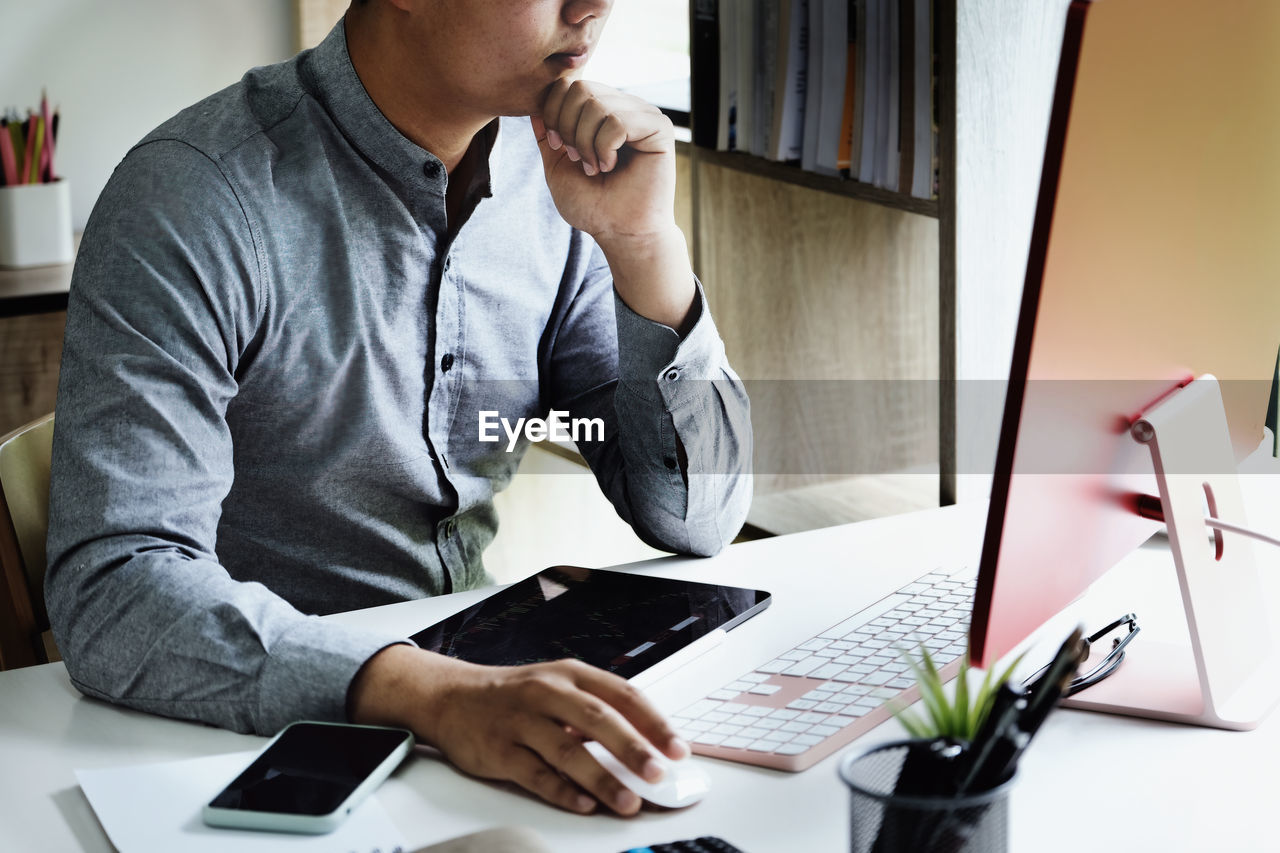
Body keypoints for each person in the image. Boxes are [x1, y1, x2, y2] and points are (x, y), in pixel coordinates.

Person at [44, 0, 751, 818]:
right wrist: (432, 695)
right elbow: (114, 588)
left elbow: (698, 517)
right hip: (242, 750)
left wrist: (644, 248)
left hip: (480, 718)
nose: (593, 6)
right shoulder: (195, 194)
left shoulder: (560, 172)